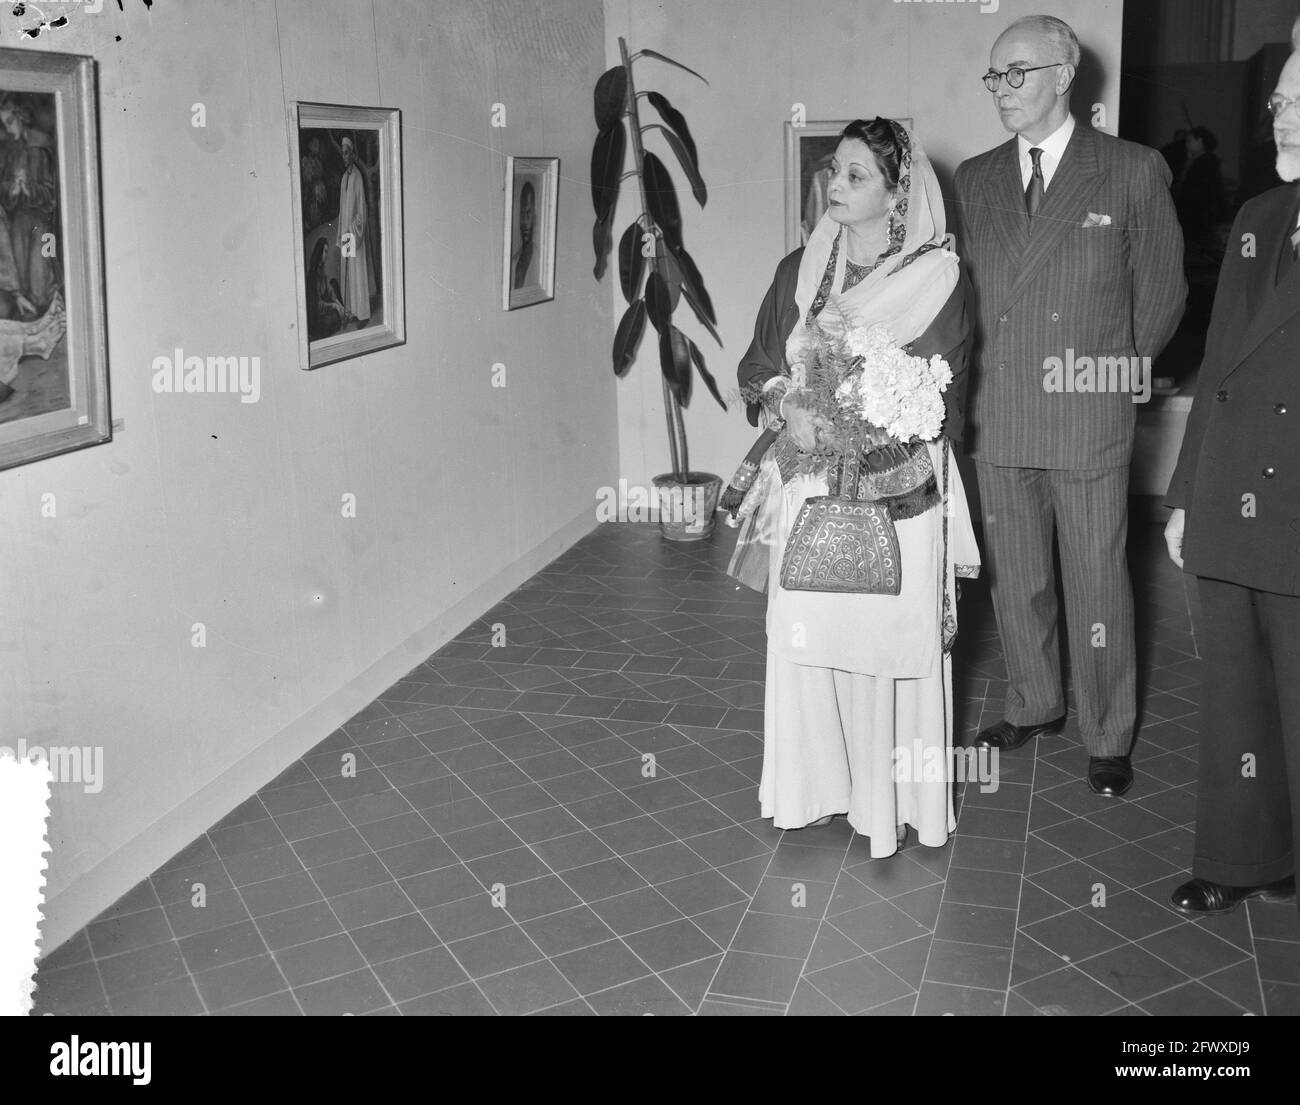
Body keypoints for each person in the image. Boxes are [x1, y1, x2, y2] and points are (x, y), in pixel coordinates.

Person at [731, 118, 979, 854]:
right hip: (809, 488)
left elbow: (942, 396)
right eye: (833, 171)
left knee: (885, 647)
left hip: (898, 496)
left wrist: (859, 419)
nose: (834, 185)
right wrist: (786, 403)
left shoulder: (937, 279)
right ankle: (813, 785)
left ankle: (888, 800)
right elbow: (756, 368)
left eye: (855, 174)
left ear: (899, 195)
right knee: (807, 641)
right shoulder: (798, 272)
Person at [953, 15, 1185, 797]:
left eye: (1015, 73)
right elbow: (962, 299)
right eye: (993, 77)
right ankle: (1035, 700)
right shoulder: (977, 178)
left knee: (1097, 579)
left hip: (1087, 414)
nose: (1001, 91)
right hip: (1001, 410)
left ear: (1064, 74)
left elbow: (1161, 296)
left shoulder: (1129, 169)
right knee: (1015, 576)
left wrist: (1105, 373)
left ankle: (1108, 729)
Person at [1161, 20, 1300, 918]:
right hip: (1230, 498)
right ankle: (1247, 856)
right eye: (1282, 98)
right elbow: (1216, 369)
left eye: (1299, 100)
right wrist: (1182, 496)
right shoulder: (1259, 217)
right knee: (1237, 695)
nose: (1280, 114)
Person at [335, 135, 374, 325]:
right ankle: (351, 311)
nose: (345, 157)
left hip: (354, 233)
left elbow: (361, 209)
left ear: (352, 154)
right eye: (342, 154)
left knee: (357, 272)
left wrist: (352, 231)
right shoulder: (344, 179)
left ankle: (363, 314)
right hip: (346, 234)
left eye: (347, 153)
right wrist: (342, 233)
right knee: (348, 274)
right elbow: (343, 211)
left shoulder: (357, 177)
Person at [511, 180, 538, 289]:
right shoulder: (513, 262)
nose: (525, 221)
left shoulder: (540, 261)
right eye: (522, 214)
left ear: (535, 217)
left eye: (528, 214)